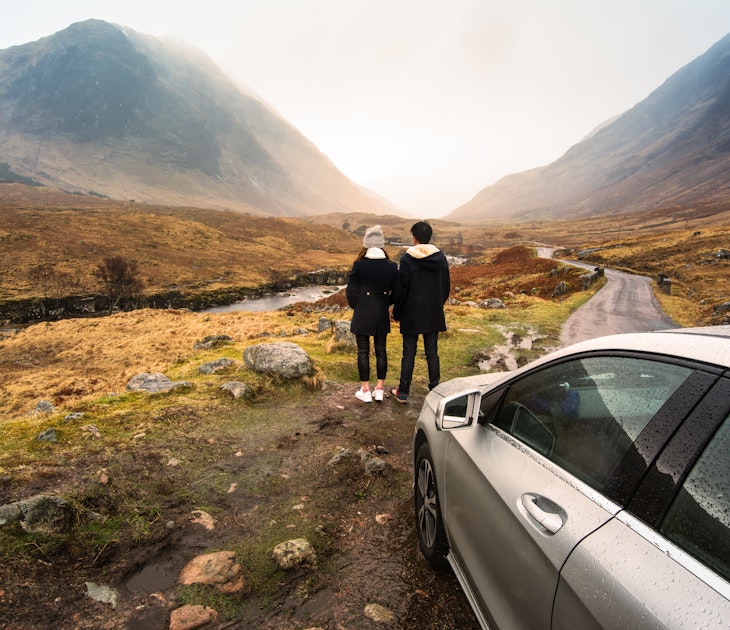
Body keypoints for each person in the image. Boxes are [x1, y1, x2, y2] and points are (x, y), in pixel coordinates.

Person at [389, 221, 450, 403]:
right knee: (432, 351)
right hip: (433, 313)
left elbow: (401, 290)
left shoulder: (407, 259)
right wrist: (437, 304)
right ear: (429, 237)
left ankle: (403, 391)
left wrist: (397, 313)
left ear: (414, 237)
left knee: (409, 353)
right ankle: (435, 389)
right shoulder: (441, 258)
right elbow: (446, 287)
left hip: (411, 314)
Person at [346, 225, 398, 403]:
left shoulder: (359, 265)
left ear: (366, 244)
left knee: (363, 351)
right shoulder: (391, 266)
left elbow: (350, 291)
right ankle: (380, 390)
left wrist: (357, 306)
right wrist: (385, 302)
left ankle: (366, 391)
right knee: (381, 350)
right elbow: (397, 292)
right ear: (382, 244)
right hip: (381, 313)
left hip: (363, 312)